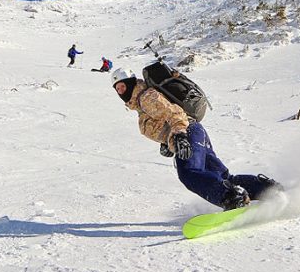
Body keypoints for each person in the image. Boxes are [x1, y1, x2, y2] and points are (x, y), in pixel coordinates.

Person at [111, 67, 280, 210]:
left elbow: (174, 112)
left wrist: (180, 136)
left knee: (190, 174)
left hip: (188, 132)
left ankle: (232, 198)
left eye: (122, 86)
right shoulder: (142, 103)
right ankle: (266, 189)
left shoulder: (146, 97)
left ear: (131, 82)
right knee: (223, 178)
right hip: (194, 132)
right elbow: (163, 123)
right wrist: (167, 143)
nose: (120, 91)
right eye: (117, 89)